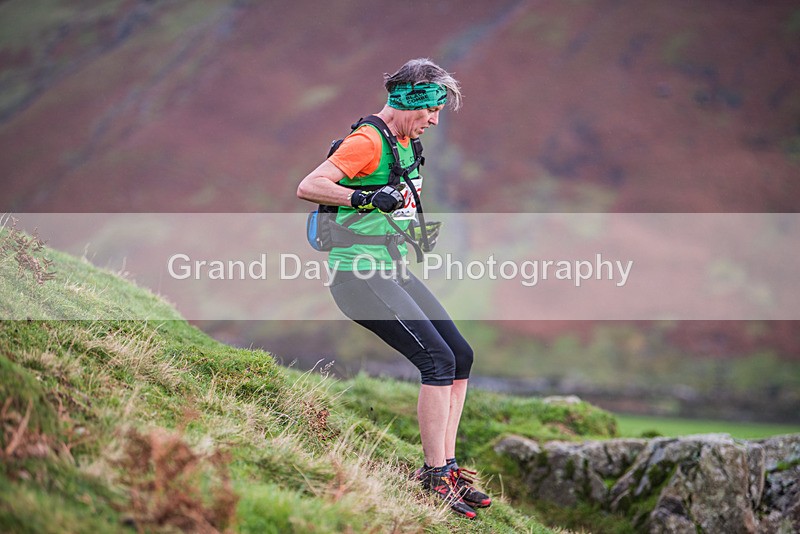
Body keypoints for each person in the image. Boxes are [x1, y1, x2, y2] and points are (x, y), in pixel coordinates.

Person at [297, 58, 490, 519]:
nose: (435, 120)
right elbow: (310, 185)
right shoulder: (366, 141)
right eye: (432, 111)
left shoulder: (404, 142)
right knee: (437, 360)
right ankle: (434, 474)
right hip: (359, 276)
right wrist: (363, 197)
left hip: (391, 268)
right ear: (411, 101)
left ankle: (447, 467)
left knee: (460, 355)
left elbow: (395, 198)